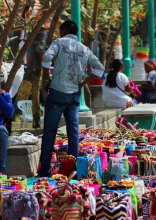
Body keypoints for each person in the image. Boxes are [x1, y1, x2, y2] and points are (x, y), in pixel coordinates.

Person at [38, 21, 105, 177]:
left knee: (50, 132)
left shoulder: (59, 43)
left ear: (64, 30)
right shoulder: (85, 49)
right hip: (74, 94)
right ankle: (73, 168)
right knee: (73, 132)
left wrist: (46, 79)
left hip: (57, 92)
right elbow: (99, 69)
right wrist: (83, 83)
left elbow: (47, 56)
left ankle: (45, 170)